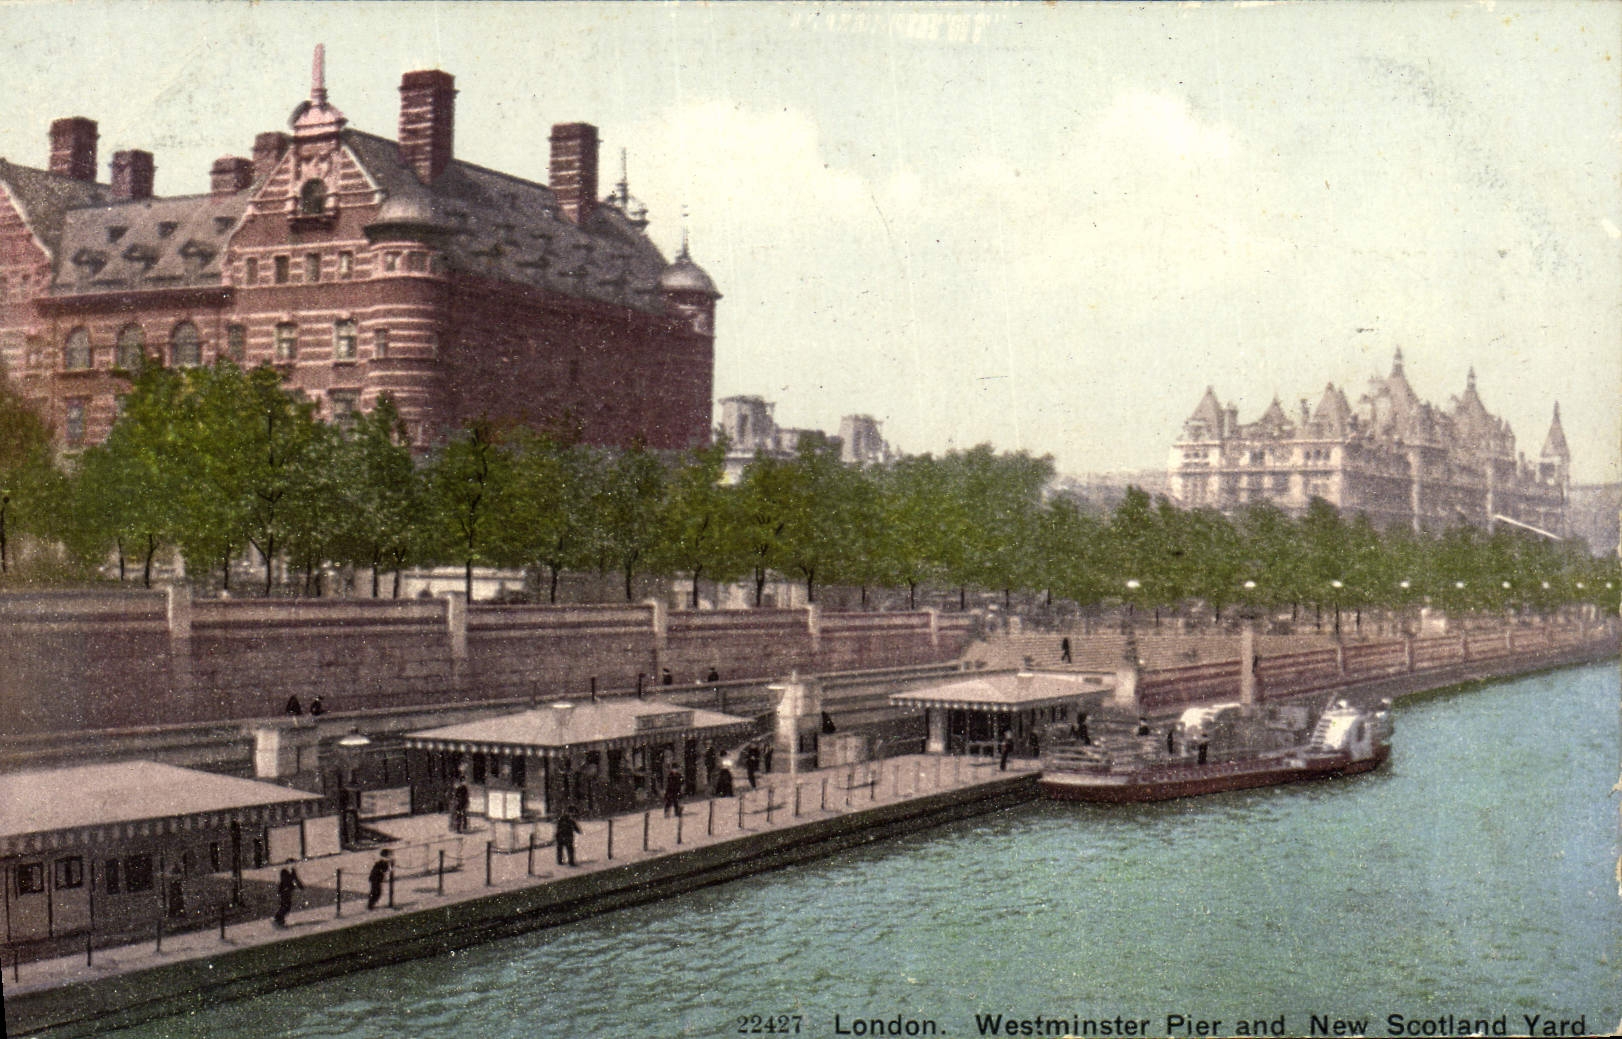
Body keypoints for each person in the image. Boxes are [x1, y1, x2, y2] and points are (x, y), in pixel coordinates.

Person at [274, 859, 303, 927]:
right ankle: (278, 918)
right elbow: (287, 881)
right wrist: (295, 885)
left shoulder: (291, 871)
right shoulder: (284, 871)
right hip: (284, 891)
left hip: (287, 891)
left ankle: (279, 919)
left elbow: (295, 879)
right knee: (286, 906)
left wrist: (300, 886)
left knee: (286, 906)